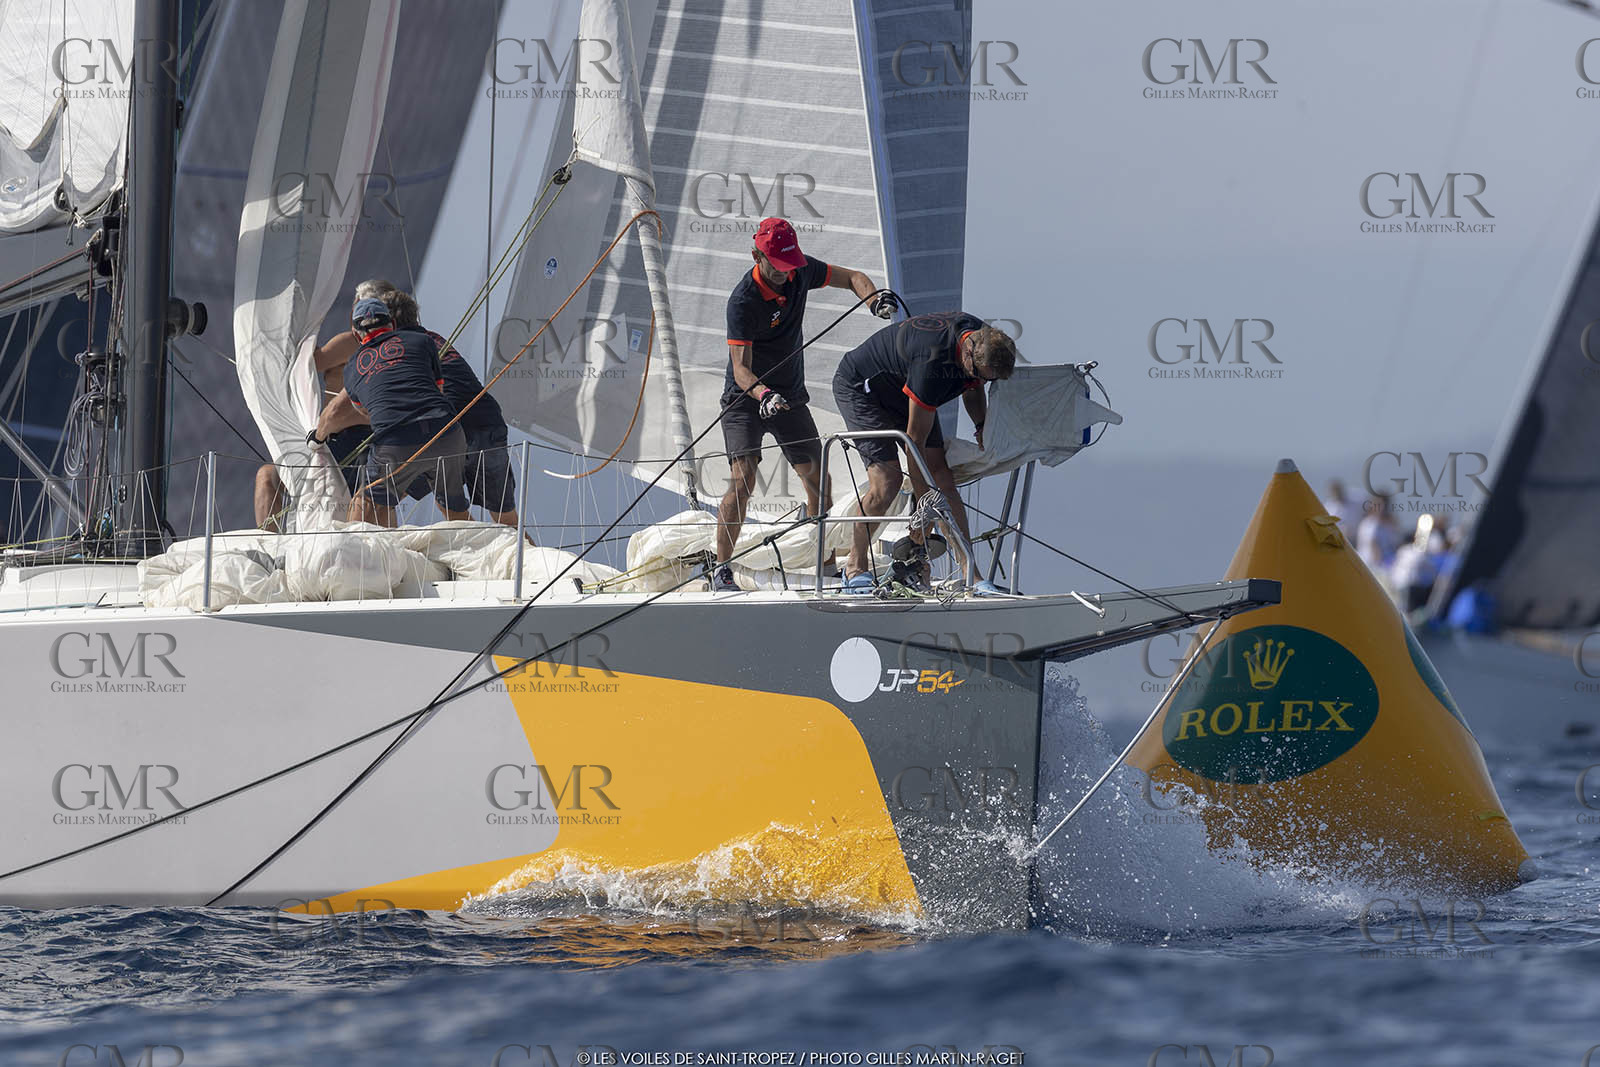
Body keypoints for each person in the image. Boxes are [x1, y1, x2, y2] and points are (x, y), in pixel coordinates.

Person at [711, 217, 892, 592]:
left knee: (817, 480)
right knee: (743, 479)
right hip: (747, 399)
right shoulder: (743, 301)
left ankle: (824, 564)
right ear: (756, 255)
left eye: (789, 266)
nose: (785, 274)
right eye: (777, 266)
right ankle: (721, 569)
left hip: (789, 397)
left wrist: (874, 299)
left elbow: (853, 276)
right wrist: (764, 395)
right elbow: (741, 370)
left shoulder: (799, 271)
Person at [831, 312, 1016, 591]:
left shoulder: (986, 340)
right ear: (968, 353)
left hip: (903, 387)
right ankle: (855, 567)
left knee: (943, 478)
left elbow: (974, 385)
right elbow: (913, 444)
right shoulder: (933, 366)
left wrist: (981, 424)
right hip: (862, 388)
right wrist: (924, 509)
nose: (981, 381)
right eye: (978, 373)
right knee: (887, 482)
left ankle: (972, 576)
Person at [313, 297, 471, 526]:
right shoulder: (422, 341)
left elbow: (350, 411)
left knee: (364, 502)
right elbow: (438, 388)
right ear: (392, 325)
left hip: (397, 441)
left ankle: (348, 559)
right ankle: (487, 556)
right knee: (453, 509)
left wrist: (317, 438)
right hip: (448, 434)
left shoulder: (354, 366)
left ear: (357, 334)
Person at [253, 279, 394, 530]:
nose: (357, 317)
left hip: (352, 443)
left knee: (370, 503)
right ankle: (269, 552)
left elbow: (310, 362)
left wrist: (292, 325)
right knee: (267, 477)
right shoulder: (382, 345)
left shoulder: (354, 342)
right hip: (332, 442)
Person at [380, 288, 521, 528]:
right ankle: (521, 561)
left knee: (381, 500)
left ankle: (385, 561)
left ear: (389, 323)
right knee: (506, 521)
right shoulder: (431, 337)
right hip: (486, 419)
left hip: (449, 428)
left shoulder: (394, 349)